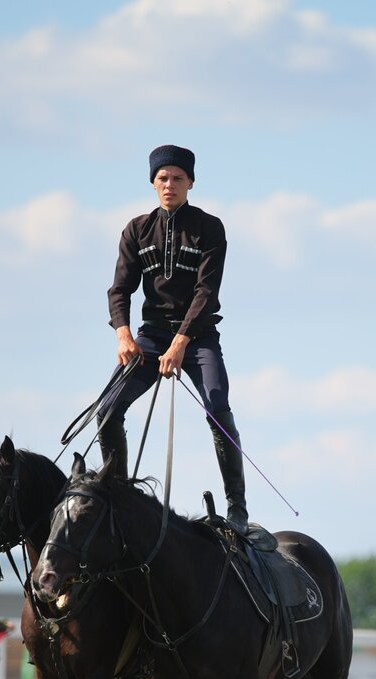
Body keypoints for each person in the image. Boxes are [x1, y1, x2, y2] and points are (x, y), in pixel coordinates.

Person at [99, 143, 249, 532]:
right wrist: (123, 334)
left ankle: (237, 506)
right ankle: (118, 494)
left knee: (217, 406)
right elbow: (119, 289)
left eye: (178, 178)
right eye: (163, 178)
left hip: (198, 338)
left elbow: (206, 292)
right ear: (153, 183)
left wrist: (180, 342)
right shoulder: (136, 230)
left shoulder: (210, 228)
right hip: (150, 338)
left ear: (190, 183)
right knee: (106, 410)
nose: (170, 184)